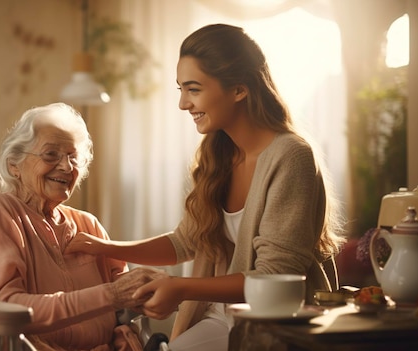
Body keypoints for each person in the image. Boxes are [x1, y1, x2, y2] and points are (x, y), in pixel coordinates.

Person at [65, 24, 346, 351]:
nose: (183, 104)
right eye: (180, 89)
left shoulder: (292, 156)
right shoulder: (220, 153)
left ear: (239, 90)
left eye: (194, 89)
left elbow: (273, 278)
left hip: (277, 328)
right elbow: (186, 241)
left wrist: (180, 287)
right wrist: (106, 247)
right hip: (223, 318)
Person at [0, 102, 167, 351]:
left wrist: (152, 293)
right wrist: (110, 295)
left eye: (73, 157)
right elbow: (7, 309)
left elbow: (125, 302)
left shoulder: (87, 224)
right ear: (14, 164)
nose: (67, 167)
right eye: (51, 154)